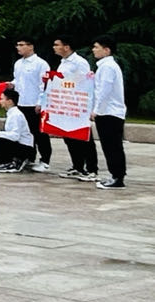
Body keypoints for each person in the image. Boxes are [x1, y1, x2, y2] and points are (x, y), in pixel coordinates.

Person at [52, 37, 99, 180]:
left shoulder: (79, 62)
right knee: (69, 137)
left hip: (78, 104)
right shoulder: (63, 62)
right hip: (66, 104)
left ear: (66, 47)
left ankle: (92, 169)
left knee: (84, 138)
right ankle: (77, 166)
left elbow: (86, 82)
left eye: (57, 45)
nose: (54, 47)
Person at [10, 38, 52, 173]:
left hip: (34, 103)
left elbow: (44, 85)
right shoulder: (18, 63)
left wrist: (40, 102)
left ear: (31, 46)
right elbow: (18, 80)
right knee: (26, 133)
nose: (18, 47)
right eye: (17, 45)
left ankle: (45, 160)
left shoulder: (40, 64)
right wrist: (11, 85)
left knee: (39, 133)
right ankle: (29, 156)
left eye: (21, 45)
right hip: (21, 102)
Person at [92, 36, 128, 190]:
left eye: (96, 47)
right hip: (107, 112)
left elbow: (104, 91)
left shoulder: (107, 67)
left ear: (106, 50)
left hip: (109, 112)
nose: (93, 50)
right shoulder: (105, 66)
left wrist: (96, 110)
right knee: (109, 146)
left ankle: (118, 178)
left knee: (113, 146)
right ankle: (115, 176)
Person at [0, 88, 36, 173]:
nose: (0, 101)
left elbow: (15, 136)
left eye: (2, 99)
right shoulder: (11, 113)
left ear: (10, 101)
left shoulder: (16, 115)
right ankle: (6, 162)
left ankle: (16, 162)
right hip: (19, 145)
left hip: (24, 148)